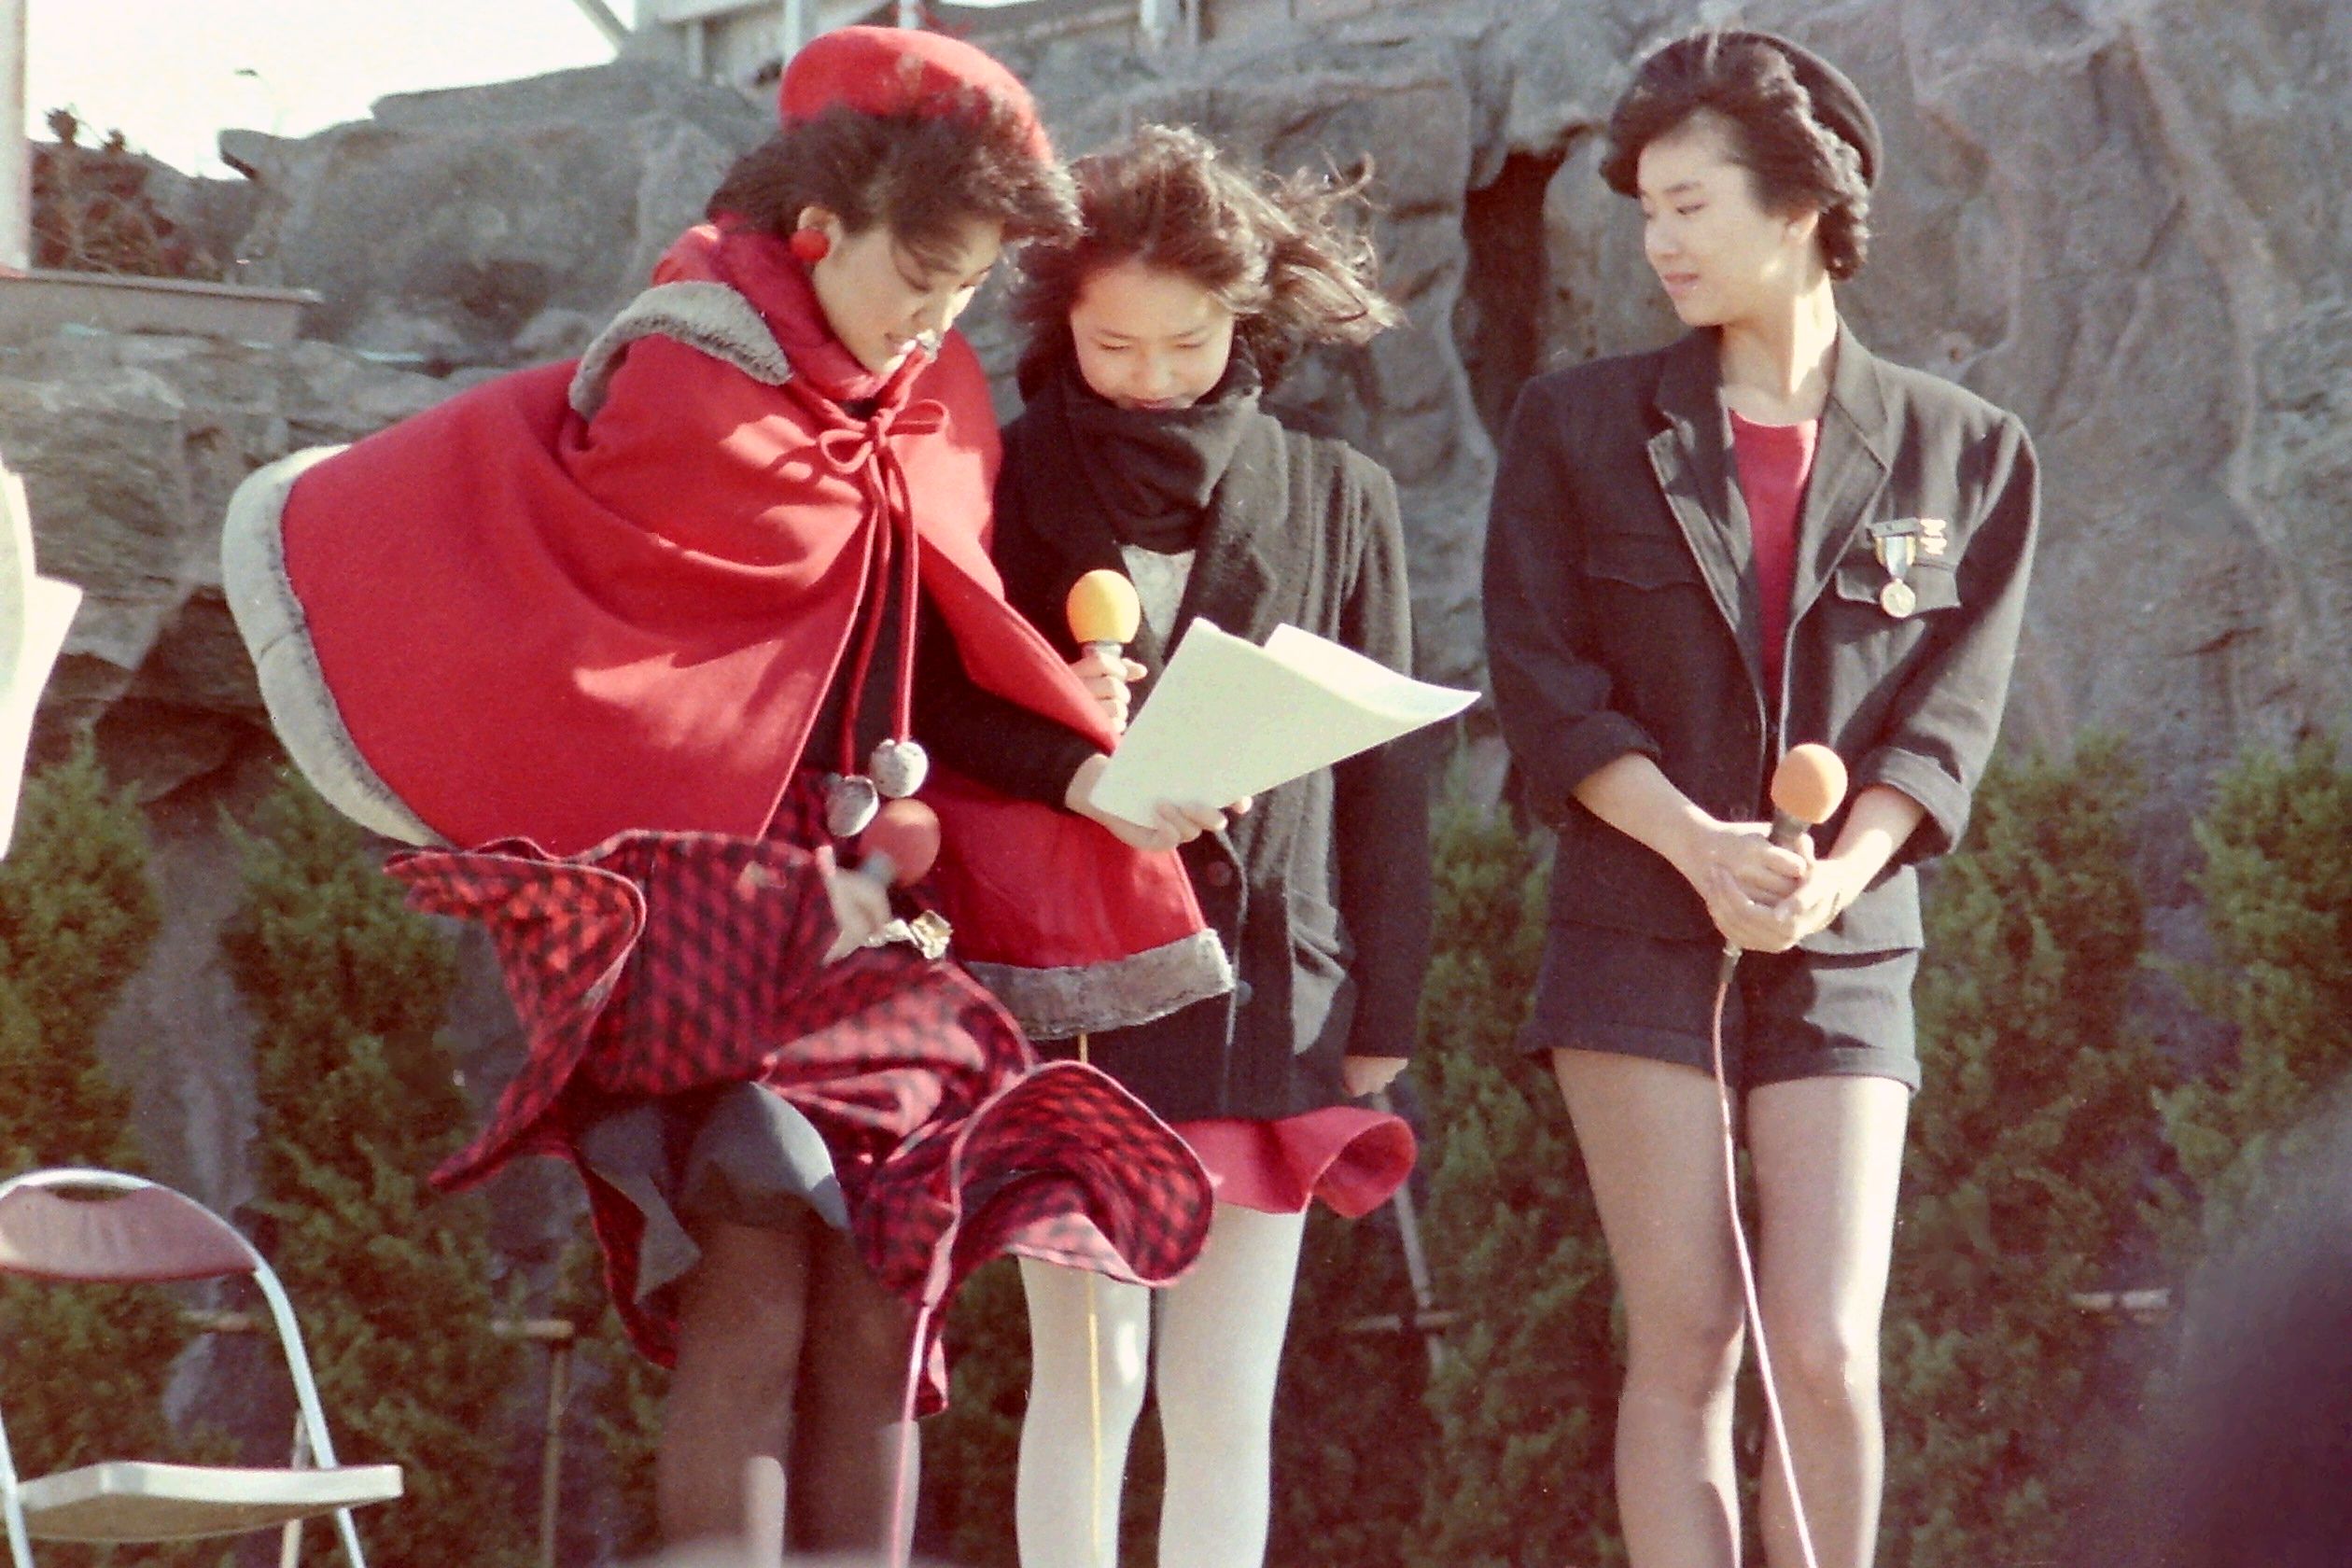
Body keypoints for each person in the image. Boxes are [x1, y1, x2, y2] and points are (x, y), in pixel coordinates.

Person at [220, 27, 1234, 1561]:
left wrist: (1080, 747)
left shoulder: (934, 394)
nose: (932, 322)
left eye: (966, 292)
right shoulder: (691, 372)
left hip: (882, 904)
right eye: (919, 279)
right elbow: (638, 659)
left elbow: (951, 656)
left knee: (888, 1287)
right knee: (758, 1255)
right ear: (820, 229)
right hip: (706, 894)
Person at [1482, 30, 2038, 1568]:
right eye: (1645, 212)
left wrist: (1841, 873)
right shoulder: (1575, 428)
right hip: (1634, 922)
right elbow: (1543, 684)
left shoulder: (1970, 451)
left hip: (1848, 941)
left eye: (1691, 206)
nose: (1658, 242)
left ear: (1799, 206)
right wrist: (1697, 844)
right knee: (1690, 1339)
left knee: (1825, 1348)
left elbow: (1949, 720)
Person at [987, 124, 1431, 1568]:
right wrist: (1075, 761)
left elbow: (1388, 774)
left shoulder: (1338, 492)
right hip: (1071, 991)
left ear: (1247, 316)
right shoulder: (1001, 479)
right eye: (1114, 345)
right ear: (1059, 323)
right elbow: (940, 712)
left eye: (1187, 342)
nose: (1152, 376)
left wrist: (1385, 1014)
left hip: (1266, 990)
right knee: (1091, 1376)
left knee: (1226, 1399)